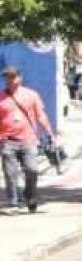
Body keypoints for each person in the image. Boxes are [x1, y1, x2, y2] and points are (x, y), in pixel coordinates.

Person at [0, 67, 55, 214]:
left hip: (28, 140)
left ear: (20, 77)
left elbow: (41, 116)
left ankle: (29, 195)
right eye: (7, 77)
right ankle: (13, 203)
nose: (10, 80)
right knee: (10, 174)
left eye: (12, 76)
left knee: (32, 170)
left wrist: (50, 133)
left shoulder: (31, 95)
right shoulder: (1, 97)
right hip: (7, 141)